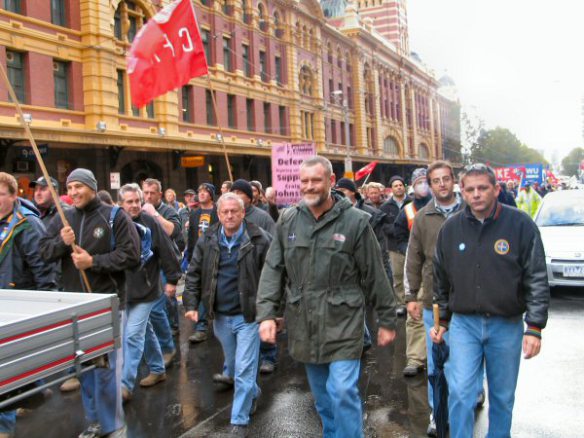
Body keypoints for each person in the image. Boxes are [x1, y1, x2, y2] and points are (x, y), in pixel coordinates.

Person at [257, 156, 397, 438]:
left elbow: (374, 273)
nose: (309, 186)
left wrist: (387, 318)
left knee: (343, 390)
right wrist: (267, 314)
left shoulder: (355, 222)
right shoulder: (288, 220)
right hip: (304, 322)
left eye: (316, 180)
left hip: (343, 321)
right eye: (304, 181)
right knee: (322, 398)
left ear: (331, 182)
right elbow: (274, 268)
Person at [431, 163, 550, 438]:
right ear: (462, 191)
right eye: (470, 189)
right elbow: (441, 279)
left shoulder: (521, 224)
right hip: (464, 326)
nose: (476, 194)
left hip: (506, 325)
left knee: (502, 397)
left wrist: (535, 327)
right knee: (460, 393)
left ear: (496, 189)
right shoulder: (450, 229)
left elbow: (536, 278)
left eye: (482, 188)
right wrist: (442, 321)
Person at [40, 168, 140, 438]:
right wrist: (62, 242)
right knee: (84, 369)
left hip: (107, 305)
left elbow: (132, 255)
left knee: (106, 369)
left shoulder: (114, 216)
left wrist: (93, 262)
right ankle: (94, 421)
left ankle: (113, 425)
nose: (73, 192)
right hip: (75, 307)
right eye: (69, 187)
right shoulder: (64, 217)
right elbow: (44, 251)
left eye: (78, 187)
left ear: (92, 187)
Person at [183, 192, 271, 435]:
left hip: (248, 316)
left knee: (243, 368)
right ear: (218, 214)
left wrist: (273, 312)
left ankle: (239, 421)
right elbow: (194, 273)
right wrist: (190, 304)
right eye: (225, 212)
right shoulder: (208, 238)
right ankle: (252, 392)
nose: (230, 215)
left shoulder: (260, 239)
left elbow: (274, 277)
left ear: (243, 213)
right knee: (234, 365)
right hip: (220, 317)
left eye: (235, 211)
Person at [403, 161, 465, 436]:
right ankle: (436, 411)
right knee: (436, 362)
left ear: (454, 181)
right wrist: (410, 296)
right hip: (434, 302)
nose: (441, 184)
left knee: (466, 359)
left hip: (469, 302)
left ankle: (467, 399)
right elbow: (413, 258)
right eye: (435, 180)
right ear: (429, 184)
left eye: (445, 179)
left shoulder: (470, 211)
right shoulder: (423, 217)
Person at [0, 172, 57, 438]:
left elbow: (43, 266)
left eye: (1, 195)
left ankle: (6, 424)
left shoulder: (27, 224)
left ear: (13, 196)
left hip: (21, 301)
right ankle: (31, 387)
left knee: (7, 368)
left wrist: (45, 303)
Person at [118, 184, 182, 402]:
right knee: (144, 329)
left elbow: (168, 251)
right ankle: (157, 369)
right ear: (121, 204)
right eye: (130, 201)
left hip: (147, 289)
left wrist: (172, 279)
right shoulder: (114, 225)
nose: (135, 205)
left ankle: (124, 385)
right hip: (125, 291)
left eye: (137, 200)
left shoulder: (150, 222)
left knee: (132, 335)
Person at [334, 177, 393, 352]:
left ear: (352, 192)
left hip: (365, 266)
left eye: (343, 190)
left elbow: (378, 249)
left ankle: (363, 337)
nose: (339, 194)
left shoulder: (371, 214)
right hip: (346, 269)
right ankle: (364, 336)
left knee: (360, 303)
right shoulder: (334, 212)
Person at [230, 179, 277, 374]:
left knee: (262, 317)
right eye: (234, 192)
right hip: (235, 280)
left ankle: (268, 356)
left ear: (249, 197)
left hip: (258, 276)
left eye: (241, 193)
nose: (237, 197)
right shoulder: (228, 216)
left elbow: (273, 243)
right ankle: (234, 365)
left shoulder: (262, 217)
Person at [394, 168, 432, 377]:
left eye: (426, 181)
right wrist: (406, 251)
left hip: (440, 268)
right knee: (415, 313)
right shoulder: (408, 210)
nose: (423, 185)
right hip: (416, 266)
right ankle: (416, 358)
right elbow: (398, 234)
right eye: (419, 182)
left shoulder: (444, 206)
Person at [142, 178, 184, 339]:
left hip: (166, 262)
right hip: (148, 263)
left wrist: (154, 214)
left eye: (152, 193)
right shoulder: (139, 210)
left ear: (160, 194)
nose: (148, 196)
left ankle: (173, 327)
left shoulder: (168, 211)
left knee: (168, 298)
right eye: (145, 192)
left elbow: (172, 231)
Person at [186, 183, 219, 344]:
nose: (202, 194)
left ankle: (218, 321)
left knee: (213, 289)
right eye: (199, 191)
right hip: (198, 256)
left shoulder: (218, 212)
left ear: (211, 195)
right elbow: (192, 236)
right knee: (200, 289)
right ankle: (201, 326)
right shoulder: (194, 214)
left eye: (205, 191)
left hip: (215, 254)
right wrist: (190, 255)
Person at [380, 175, 411, 317]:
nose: (398, 187)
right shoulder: (385, 207)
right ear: (391, 189)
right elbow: (384, 227)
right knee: (397, 277)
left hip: (411, 246)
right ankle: (401, 304)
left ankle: (413, 301)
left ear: (404, 186)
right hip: (394, 247)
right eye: (395, 186)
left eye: (400, 185)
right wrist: (398, 229)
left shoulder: (412, 203)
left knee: (412, 276)